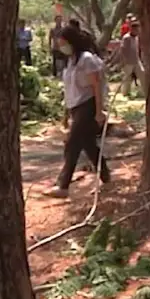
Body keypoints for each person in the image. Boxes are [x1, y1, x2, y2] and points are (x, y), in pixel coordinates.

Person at [45, 26, 110, 198]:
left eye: (63, 43)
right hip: (76, 106)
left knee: (72, 144)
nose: (61, 46)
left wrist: (99, 111)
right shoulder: (71, 60)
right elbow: (69, 89)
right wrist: (66, 114)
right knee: (88, 145)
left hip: (87, 105)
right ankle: (106, 176)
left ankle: (63, 185)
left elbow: (96, 86)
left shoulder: (86, 59)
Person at [117, 20, 145, 97]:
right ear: (132, 29)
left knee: (142, 74)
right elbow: (123, 50)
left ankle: (143, 92)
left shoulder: (136, 38)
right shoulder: (126, 38)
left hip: (136, 60)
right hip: (128, 61)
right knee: (127, 78)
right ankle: (125, 93)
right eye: (136, 29)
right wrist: (123, 61)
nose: (137, 31)